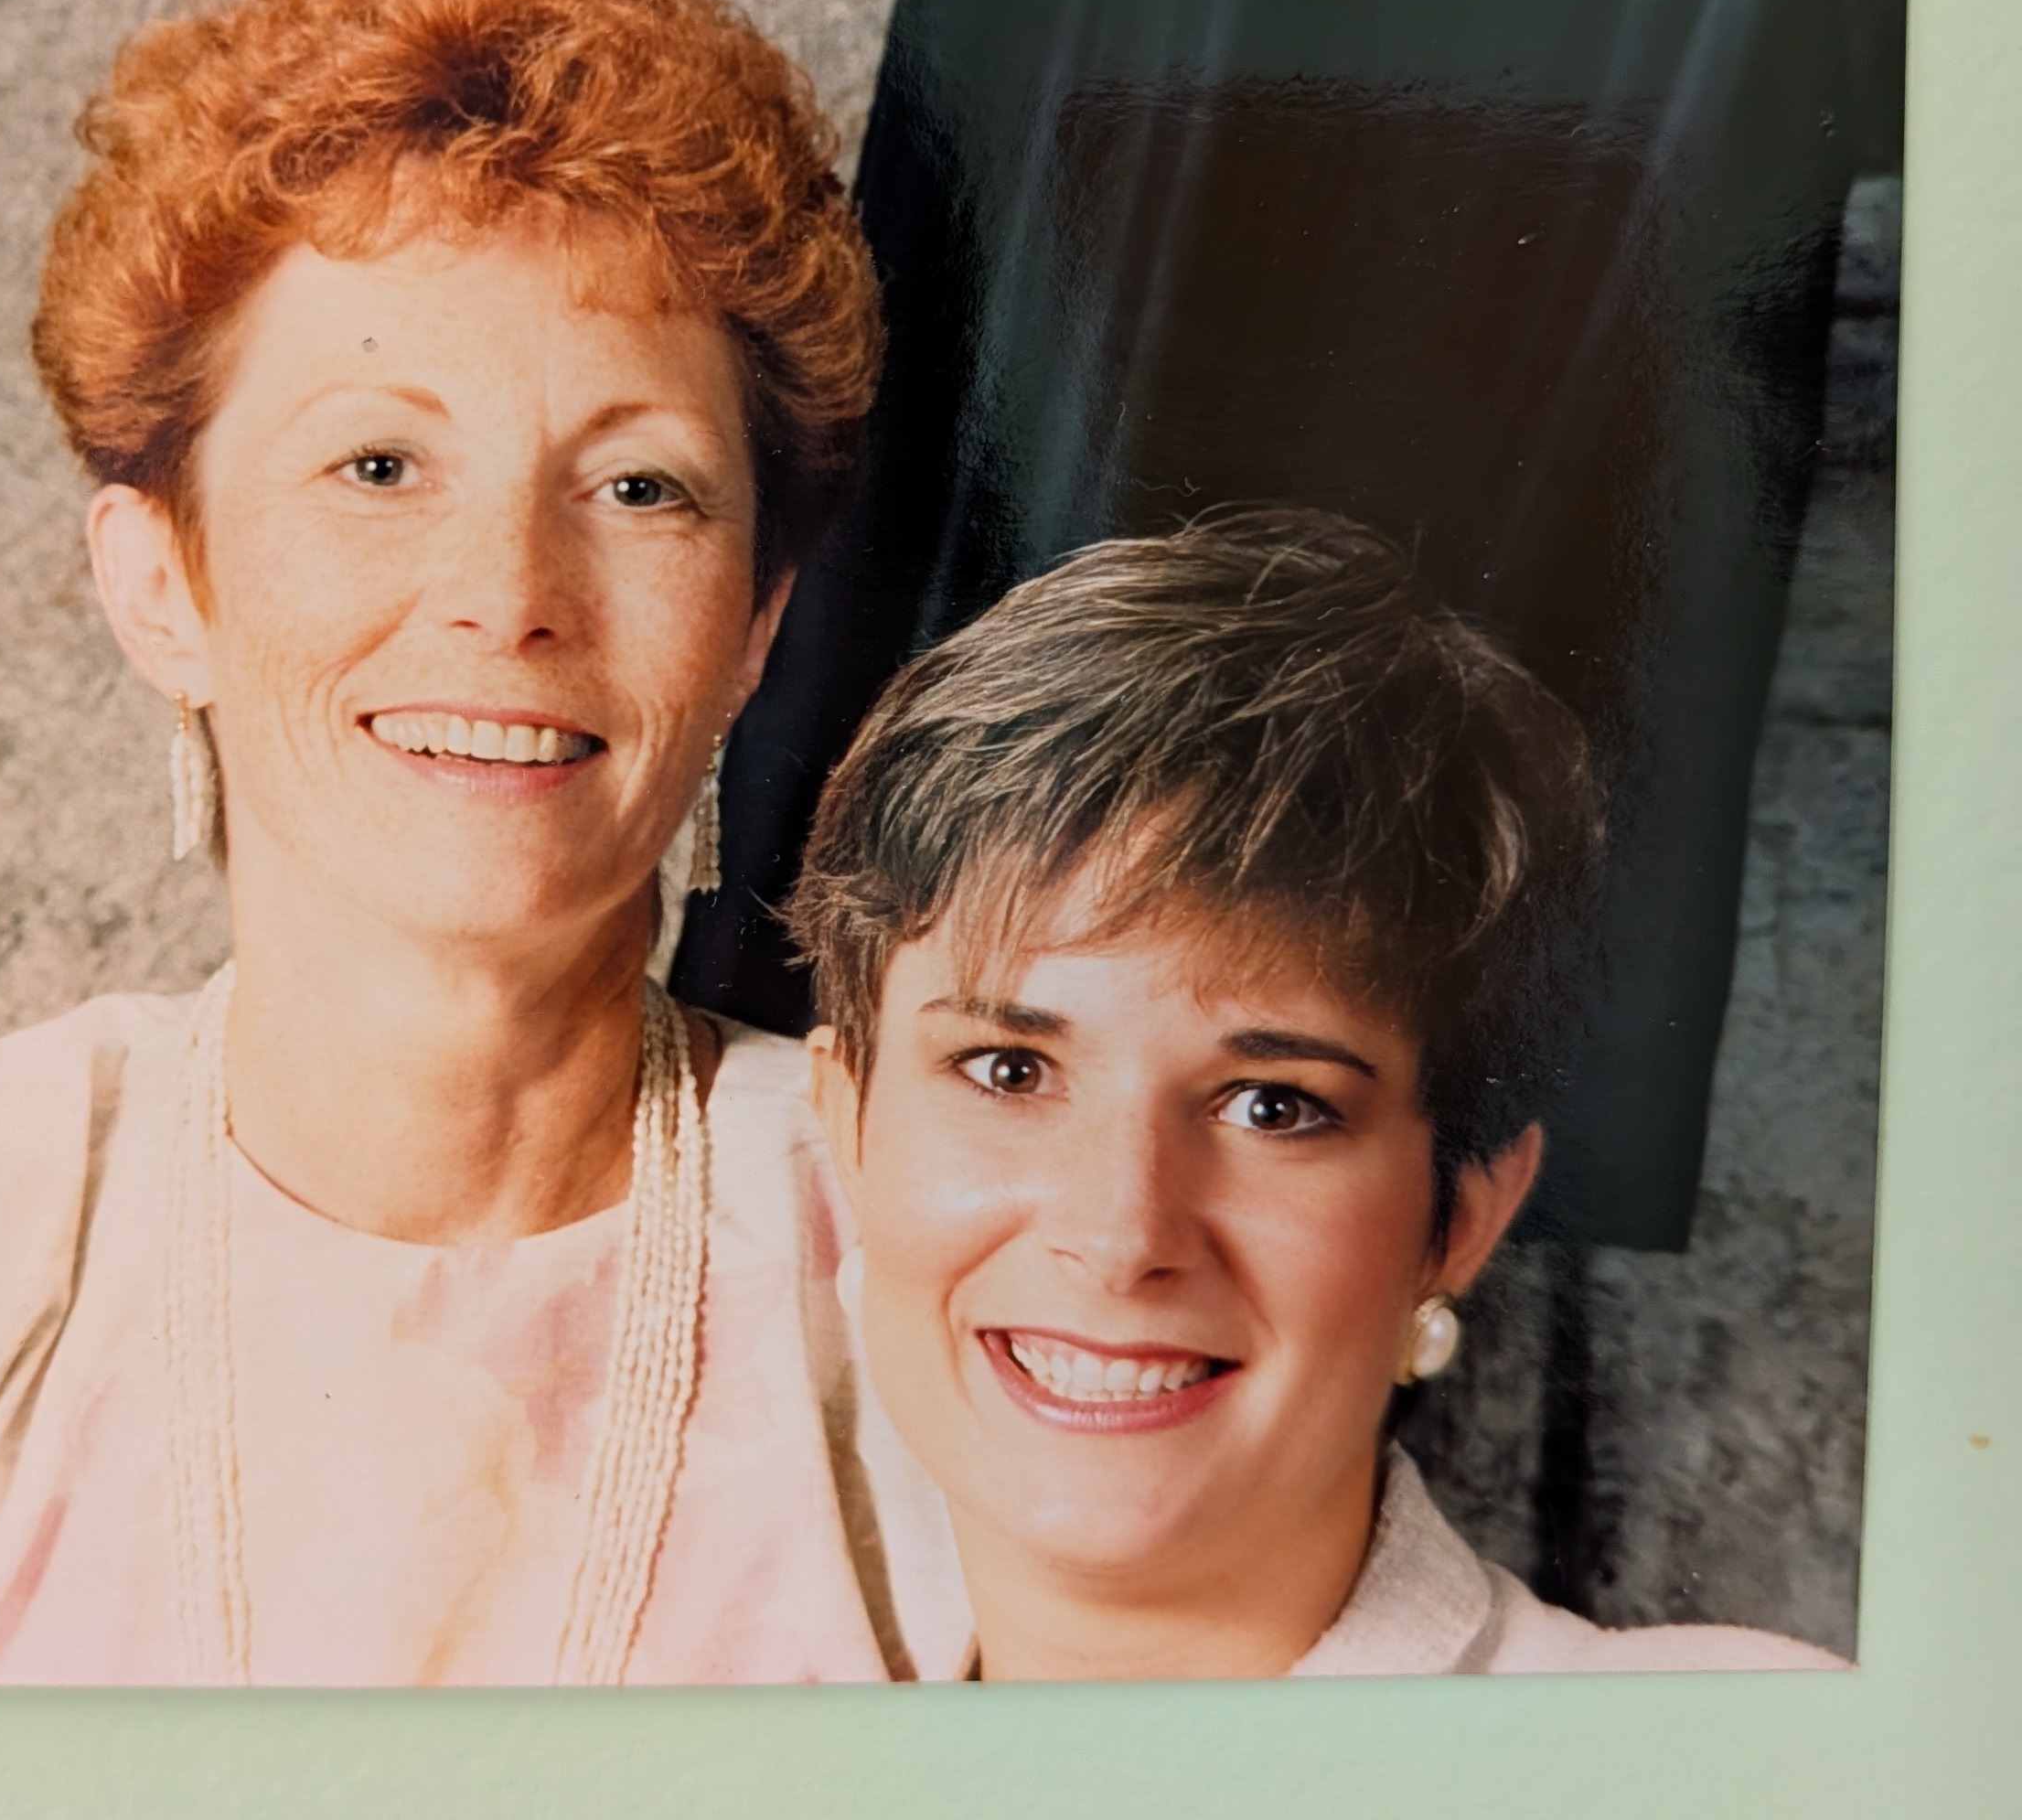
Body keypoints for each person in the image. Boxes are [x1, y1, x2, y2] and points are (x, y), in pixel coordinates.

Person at [0, 0, 914, 1686]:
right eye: (377, 464)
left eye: (638, 487)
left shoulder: (961, 1267)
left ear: (755, 623)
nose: (508, 597)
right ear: (159, 580)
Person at [789, 508, 1845, 1679]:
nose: (1122, 1237)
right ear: (846, 1127)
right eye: (1011, 1070)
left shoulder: (1729, 1748)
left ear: (1465, 1217)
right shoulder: (733, 1754)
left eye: (1271, 1106)